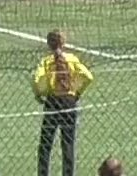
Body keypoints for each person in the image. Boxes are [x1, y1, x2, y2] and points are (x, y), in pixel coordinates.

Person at [33, 30, 94, 176]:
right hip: (69, 103)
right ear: (64, 43)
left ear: (49, 44)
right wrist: (78, 92)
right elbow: (88, 76)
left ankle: (43, 173)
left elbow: (37, 79)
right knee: (68, 143)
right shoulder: (72, 59)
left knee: (46, 143)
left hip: (53, 101)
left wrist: (39, 93)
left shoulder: (46, 61)